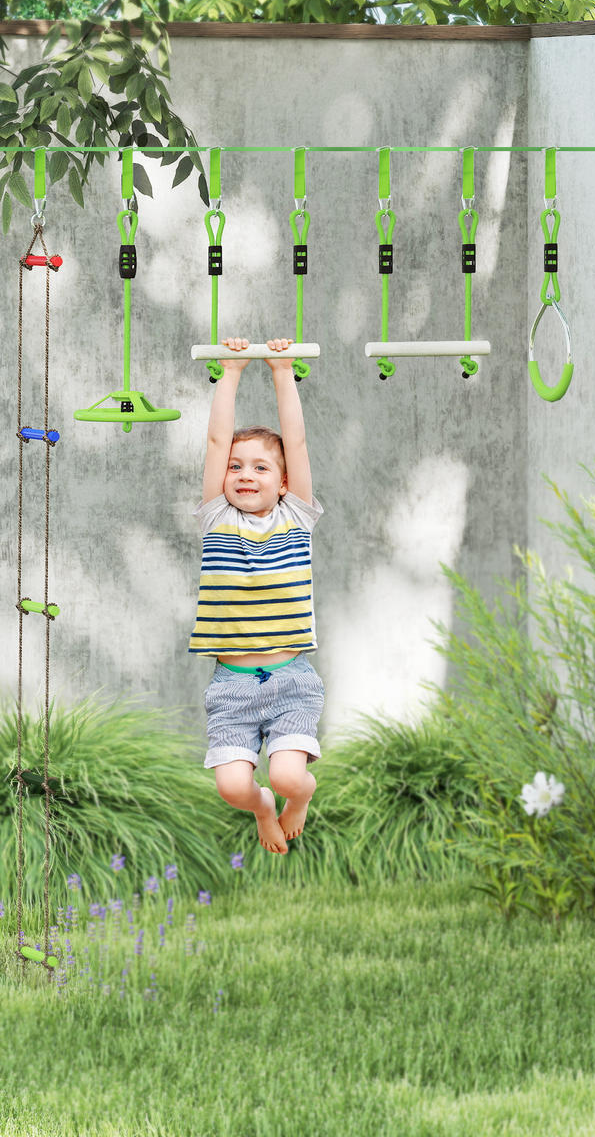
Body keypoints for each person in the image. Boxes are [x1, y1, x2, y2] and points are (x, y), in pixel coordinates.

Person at [189, 335, 325, 855]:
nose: (245, 474)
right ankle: (262, 807)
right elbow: (215, 442)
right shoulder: (217, 517)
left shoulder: (297, 515)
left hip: (291, 682)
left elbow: (299, 442)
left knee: (292, 777)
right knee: (233, 787)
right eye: (237, 467)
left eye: (261, 467)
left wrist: (281, 372)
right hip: (231, 688)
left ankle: (294, 800)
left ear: (284, 481)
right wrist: (231, 372)